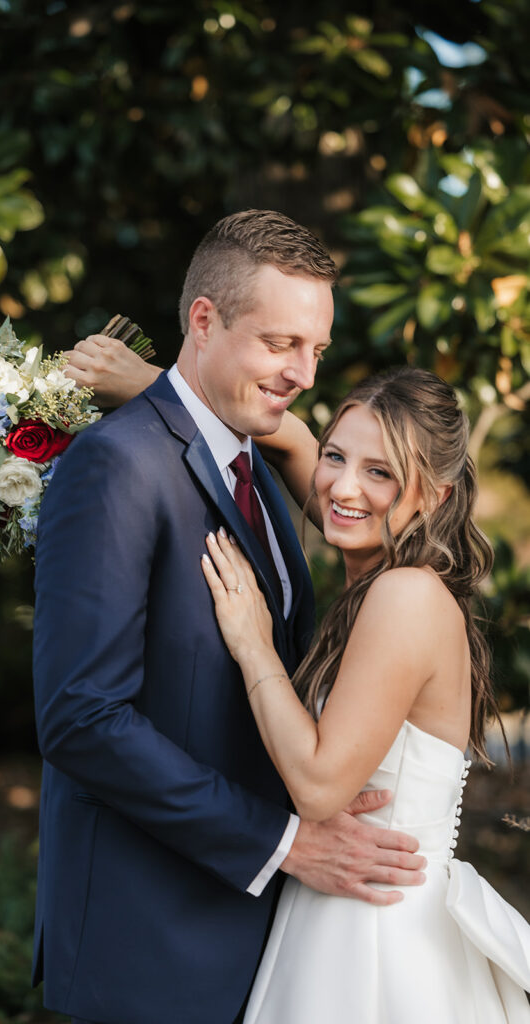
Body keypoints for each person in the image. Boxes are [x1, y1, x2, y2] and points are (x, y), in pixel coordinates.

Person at [32, 209, 428, 1024]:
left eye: (316, 350)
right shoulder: (117, 464)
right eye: (281, 343)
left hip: (257, 938)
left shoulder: (250, 463)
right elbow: (81, 719)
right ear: (204, 320)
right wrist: (286, 843)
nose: (303, 374)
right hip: (152, 946)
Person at [199, 367, 530, 1022]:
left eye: (380, 472)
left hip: (376, 933)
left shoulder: (403, 595)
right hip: (340, 905)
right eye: (335, 457)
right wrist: (152, 384)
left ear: (432, 496)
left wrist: (252, 642)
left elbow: (319, 787)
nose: (343, 487)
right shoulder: (380, 574)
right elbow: (293, 441)